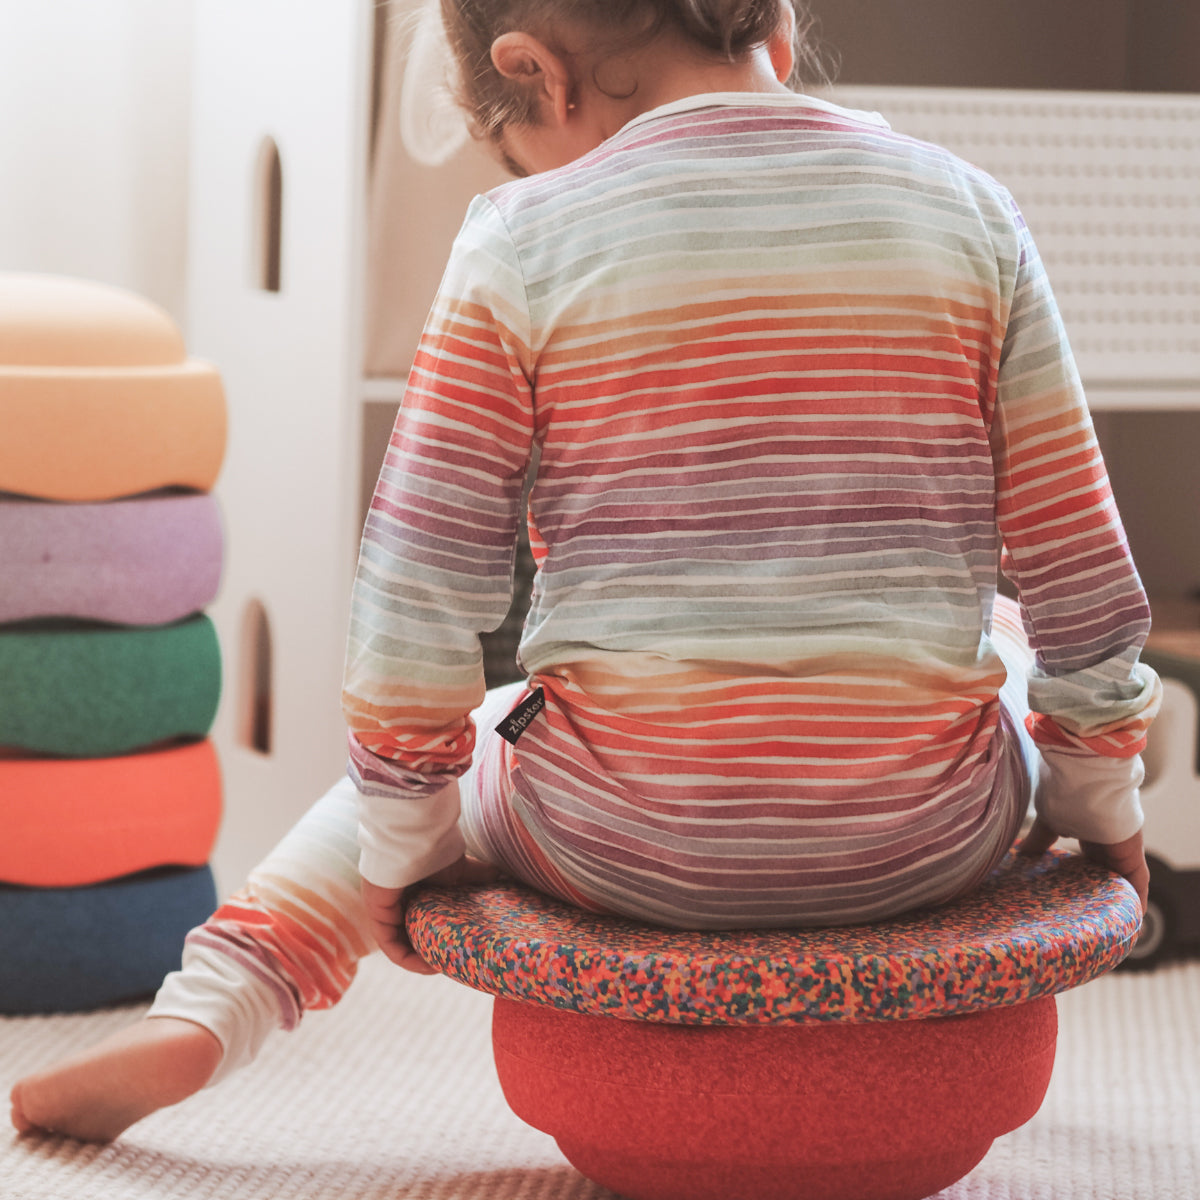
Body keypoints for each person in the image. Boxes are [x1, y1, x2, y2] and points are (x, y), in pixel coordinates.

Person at [11, 0, 1159, 1143]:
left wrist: (410, 838)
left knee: (462, 736)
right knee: (1002, 638)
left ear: (537, 73)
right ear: (776, 31)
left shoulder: (521, 236)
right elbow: (1075, 554)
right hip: (922, 837)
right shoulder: (974, 210)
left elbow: (417, 586)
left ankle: (221, 1000)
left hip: (613, 836)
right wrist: (1097, 795)